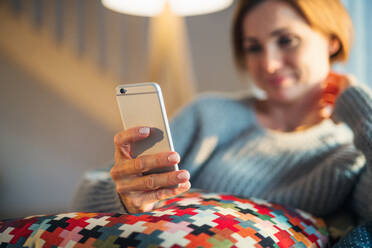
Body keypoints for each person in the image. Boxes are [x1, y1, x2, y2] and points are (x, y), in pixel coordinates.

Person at [73, 0, 372, 243]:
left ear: (332, 41)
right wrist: (124, 195)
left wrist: (362, 109)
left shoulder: (352, 147)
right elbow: (84, 194)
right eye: (253, 47)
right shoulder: (209, 115)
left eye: (286, 40)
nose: (268, 63)